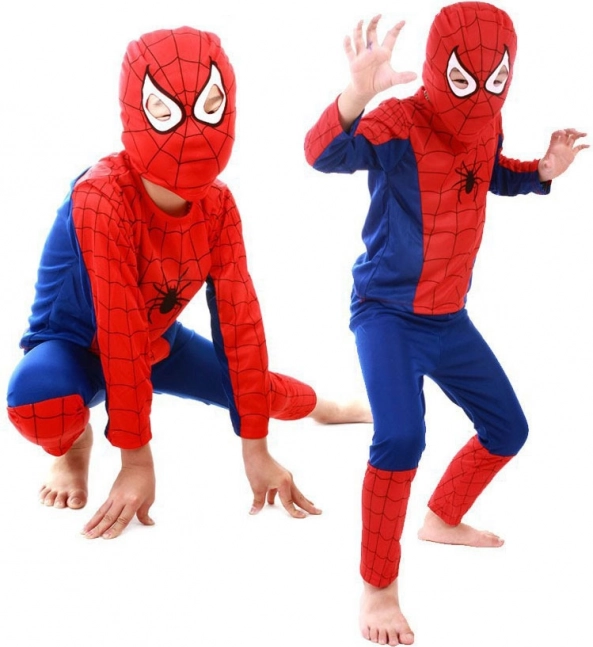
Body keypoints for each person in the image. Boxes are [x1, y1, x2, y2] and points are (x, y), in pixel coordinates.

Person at [6, 26, 371, 542]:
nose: (192, 131)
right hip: (72, 346)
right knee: (39, 402)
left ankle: (324, 408)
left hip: (156, 342)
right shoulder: (100, 197)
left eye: (211, 105)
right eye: (163, 110)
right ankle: (72, 447)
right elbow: (117, 326)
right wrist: (136, 461)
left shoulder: (218, 206)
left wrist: (256, 448)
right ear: (136, 112)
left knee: (256, 390)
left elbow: (240, 327)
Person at [303, 2, 588, 645]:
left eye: (494, 80)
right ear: (436, 67)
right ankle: (378, 587)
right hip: (386, 311)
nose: (478, 96)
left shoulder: (488, 122)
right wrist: (355, 94)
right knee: (403, 437)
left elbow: (486, 175)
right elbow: (322, 154)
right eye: (463, 80)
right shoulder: (400, 121)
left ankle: (441, 518)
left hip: (449, 317)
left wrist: (541, 172)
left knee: (509, 429)